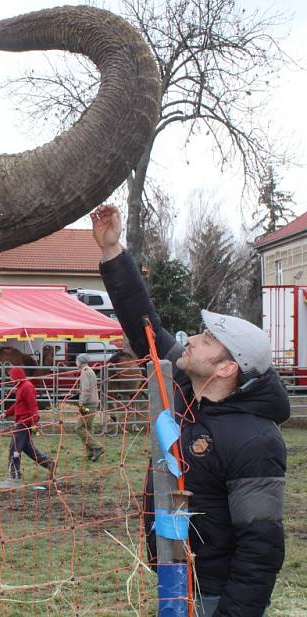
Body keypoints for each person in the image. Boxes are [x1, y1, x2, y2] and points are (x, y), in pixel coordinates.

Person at [91, 204, 288, 617]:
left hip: (217, 597)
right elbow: (144, 327)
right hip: (176, 582)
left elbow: (262, 546)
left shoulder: (256, 440)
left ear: (227, 368)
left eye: (207, 339)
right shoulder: (186, 388)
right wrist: (112, 250)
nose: (192, 340)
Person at [0, 366, 56, 483]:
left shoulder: (27, 387)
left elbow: (33, 406)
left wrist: (34, 422)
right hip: (21, 421)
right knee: (28, 449)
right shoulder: (20, 387)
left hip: (24, 423)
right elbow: (18, 404)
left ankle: (15, 474)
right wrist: (7, 413)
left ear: (17, 376)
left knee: (14, 448)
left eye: (12, 377)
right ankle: (49, 464)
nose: (11, 379)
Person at [75, 354, 105, 462]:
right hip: (93, 404)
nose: (76, 362)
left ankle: (97, 447)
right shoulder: (90, 370)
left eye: (76, 360)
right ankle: (90, 453)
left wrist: (81, 404)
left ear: (80, 361)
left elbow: (86, 390)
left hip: (87, 405)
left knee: (79, 428)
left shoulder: (85, 372)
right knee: (87, 428)